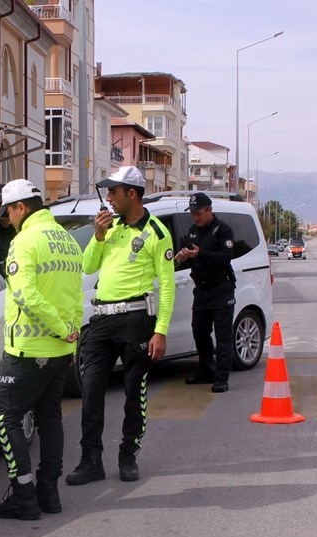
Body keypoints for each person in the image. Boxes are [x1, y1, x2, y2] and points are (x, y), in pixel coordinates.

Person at [65, 165, 175, 486]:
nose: (109, 198)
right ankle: (91, 460)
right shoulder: (109, 229)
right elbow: (88, 266)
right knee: (92, 392)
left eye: (113, 192)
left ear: (131, 193)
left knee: (133, 393)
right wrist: (98, 236)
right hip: (101, 319)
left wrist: (161, 330)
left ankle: (128, 454)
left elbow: (166, 286)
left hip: (136, 320)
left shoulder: (156, 232)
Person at [0, 178, 83, 520]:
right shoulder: (68, 241)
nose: (7, 219)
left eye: (8, 212)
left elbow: (25, 296)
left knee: (4, 417)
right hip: (59, 353)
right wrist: (70, 336)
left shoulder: (24, 241)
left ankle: (24, 494)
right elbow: (75, 298)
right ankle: (49, 493)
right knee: (50, 419)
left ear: (21, 208)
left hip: (26, 351)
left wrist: (60, 330)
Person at [176, 192, 236, 393]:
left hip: (221, 289)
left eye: (198, 213)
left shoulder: (223, 230)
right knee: (199, 331)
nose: (195, 217)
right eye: (192, 213)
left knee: (223, 334)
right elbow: (191, 254)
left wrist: (200, 254)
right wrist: (184, 256)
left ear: (209, 210)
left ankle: (221, 377)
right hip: (201, 291)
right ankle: (205, 370)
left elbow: (225, 257)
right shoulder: (193, 230)